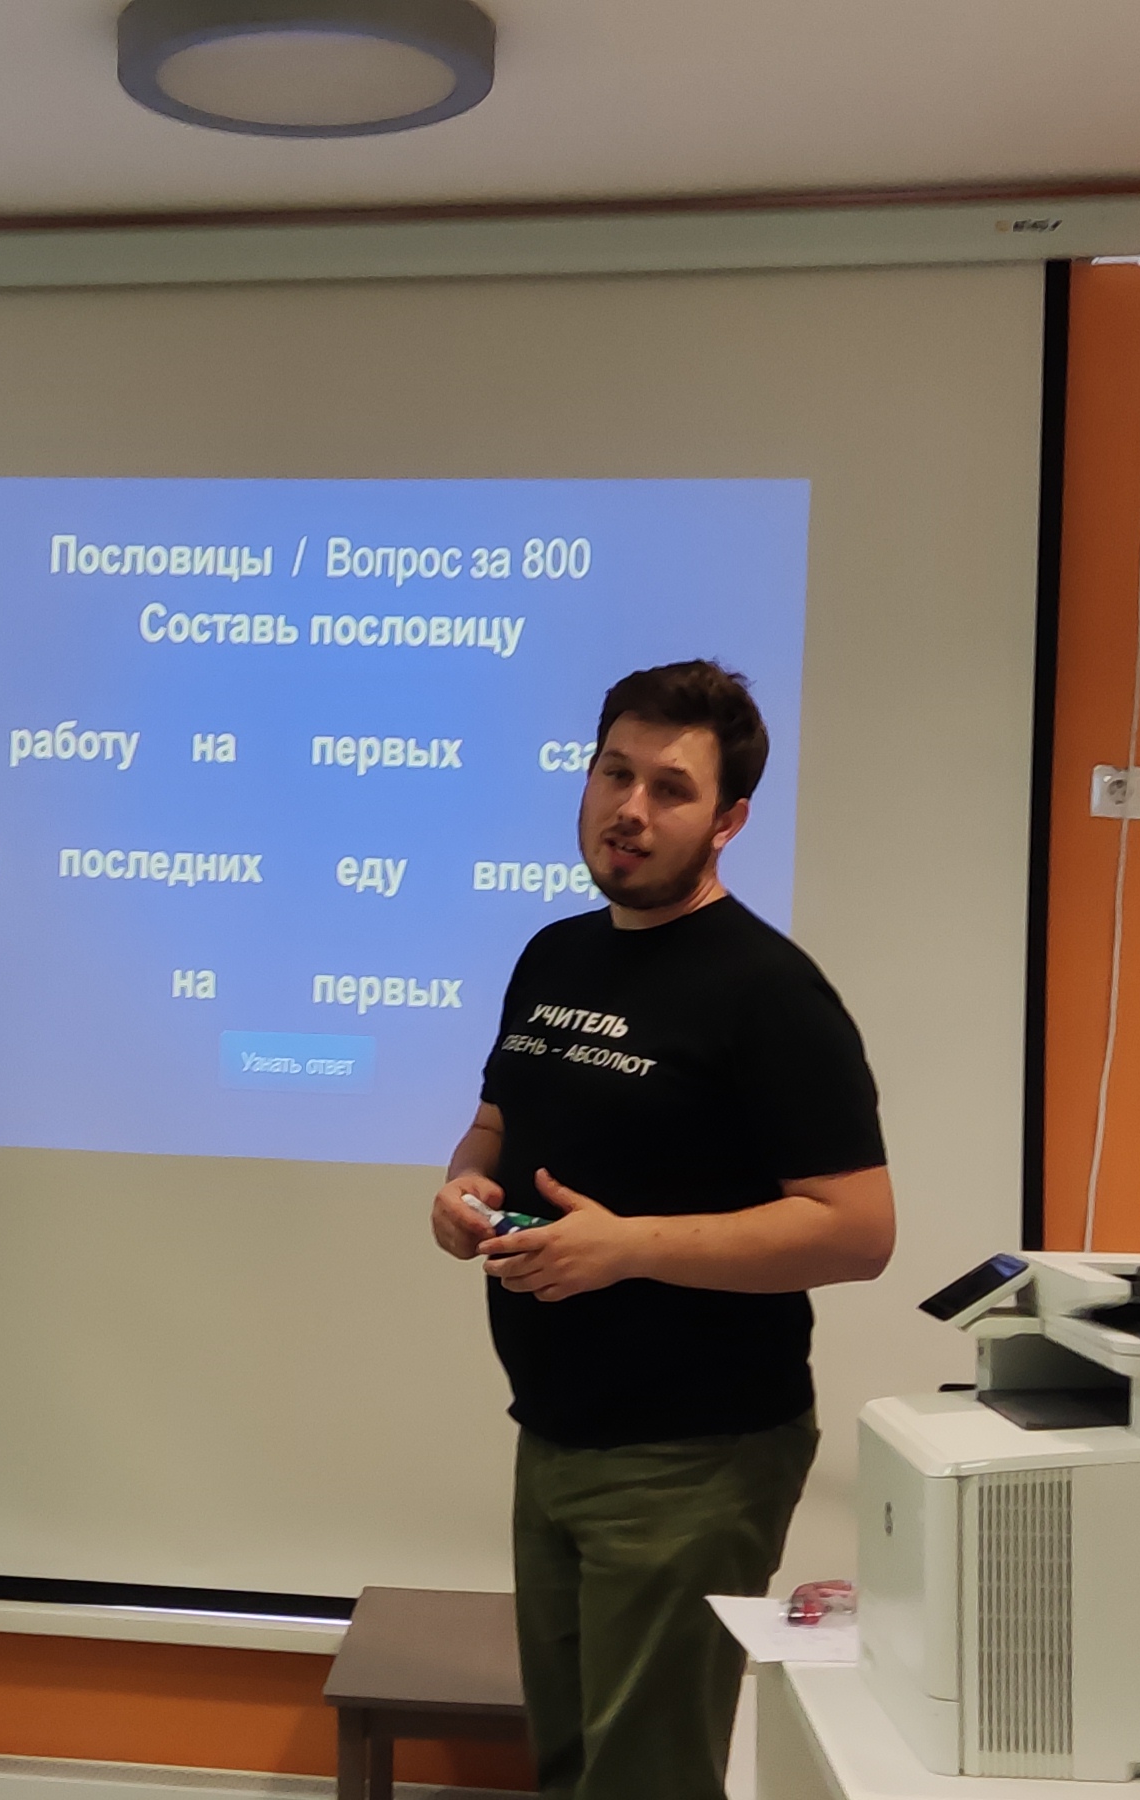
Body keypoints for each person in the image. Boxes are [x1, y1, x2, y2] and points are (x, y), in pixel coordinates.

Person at [427, 659, 896, 1800]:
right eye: (614, 773)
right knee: (570, 1769)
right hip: (554, 1433)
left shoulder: (769, 992)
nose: (629, 809)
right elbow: (492, 1129)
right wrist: (462, 1191)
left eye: (670, 789)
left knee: (644, 1781)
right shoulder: (553, 954)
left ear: (728, 820)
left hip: (694, 1455)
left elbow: (857, 1231)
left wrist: (629, 1246)